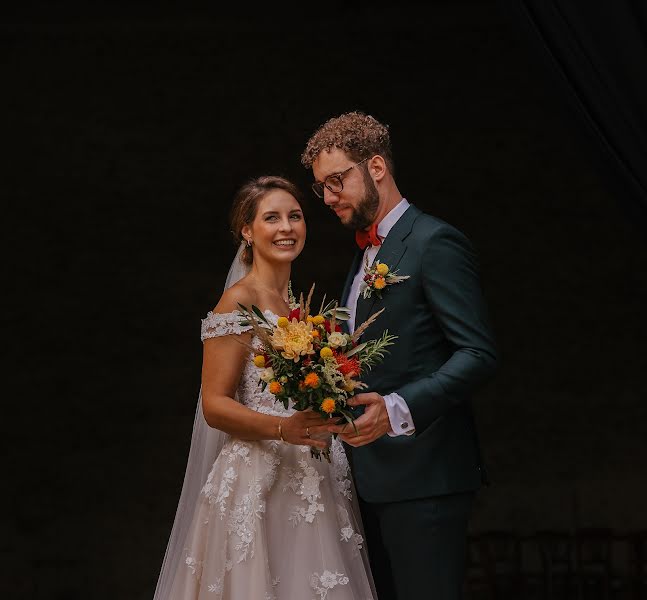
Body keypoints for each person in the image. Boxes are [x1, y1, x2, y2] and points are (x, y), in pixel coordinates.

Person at [301, 111, 498, 600]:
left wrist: (395, 410)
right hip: (367, 480)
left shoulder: (435, 241)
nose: (328, 198)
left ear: (376, 167)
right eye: (320, 187)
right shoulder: (363, 255)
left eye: (336, 181)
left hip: (425, 478)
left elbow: (477, 352)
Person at [153, 175, 377, 599]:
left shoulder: (297, 306)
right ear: (247, 230)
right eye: (271, 218)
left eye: (295, 216)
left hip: (313, 475)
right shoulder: (239, 301)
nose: (287, 228)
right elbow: (214, 405)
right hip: (258, 479)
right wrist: (282, 429)